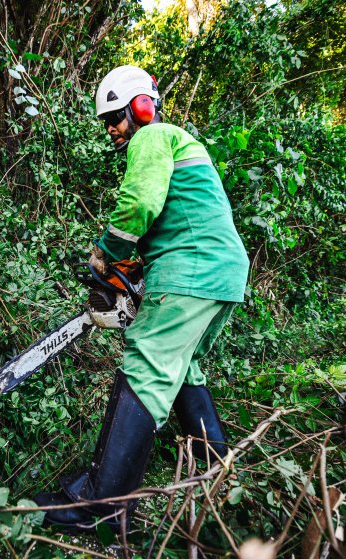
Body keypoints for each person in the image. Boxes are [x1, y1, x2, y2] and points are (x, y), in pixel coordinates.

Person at [33, 65, 250, 534]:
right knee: (182, 366)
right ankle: (220, 478)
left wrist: (105, 255)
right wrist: (136, 274)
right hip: (220, 271)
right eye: (106, 121)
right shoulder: (180, 143)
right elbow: (171, 218)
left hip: (193, 267)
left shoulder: (154, 138)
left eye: (115, 116)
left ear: (141, 106)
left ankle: (101, 506)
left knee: (147, 364)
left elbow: (140, 201)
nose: (112, 128)